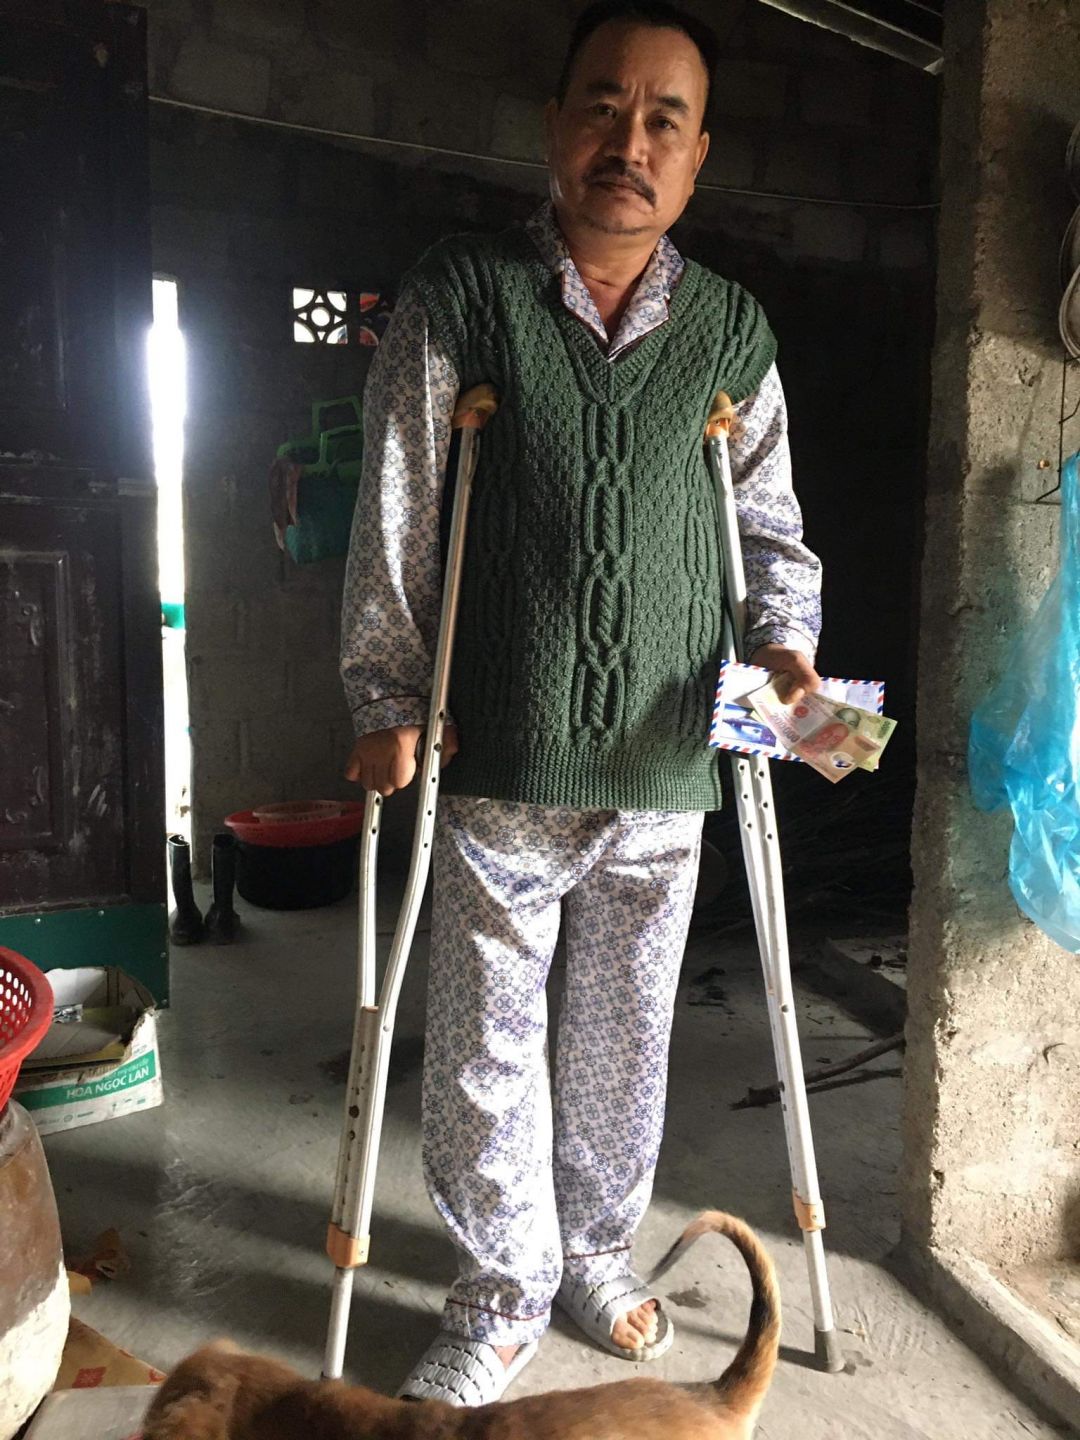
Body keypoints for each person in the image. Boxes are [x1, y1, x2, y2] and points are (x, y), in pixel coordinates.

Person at [340, 0, 822, 1407]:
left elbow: (769, 531)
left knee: (625, 1040)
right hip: (501, 748)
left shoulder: (731, 330)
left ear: (699, 153)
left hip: (668, 759)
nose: (632, 141)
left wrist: (789, 651)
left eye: (666, 118)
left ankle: (597, 1256)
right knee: (485, 1046)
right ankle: (501, 1289)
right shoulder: (464, 293)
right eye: (605, 107)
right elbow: (401, 510)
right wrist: (385, 687)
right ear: (556, 125)